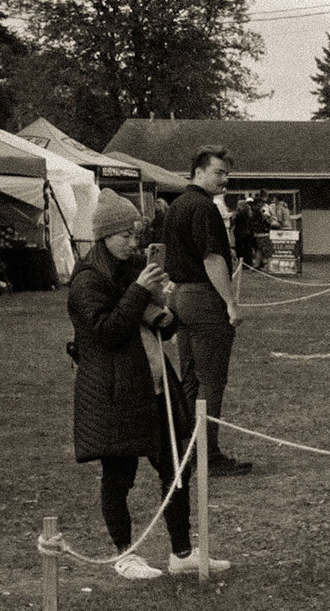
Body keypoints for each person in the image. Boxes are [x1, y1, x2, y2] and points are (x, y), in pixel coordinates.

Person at [69, 193, 229, 579]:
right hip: (113, 391)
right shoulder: (88, 280)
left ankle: (182, 552)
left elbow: (159, 327)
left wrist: (163, 310)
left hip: (154, 382)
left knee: (176, 466)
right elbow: (108, 332)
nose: (132, 242)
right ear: (104, 236)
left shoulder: (134, 269)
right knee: (119, 475)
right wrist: (140, 291)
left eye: (135, 234)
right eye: (124, 235)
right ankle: (125, 555)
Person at [164, 146, 251, 476]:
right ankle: (207, 456)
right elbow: (212, 258)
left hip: (180, 297)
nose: (224, 179)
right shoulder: (204, 208)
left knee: (190, 378)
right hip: (202, 298)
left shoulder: (177, 205)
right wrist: (230, 303)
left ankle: (188, 450)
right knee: (211, 381)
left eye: (227, 173)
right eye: (218, 172)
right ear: (198, 172)